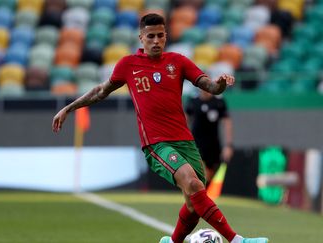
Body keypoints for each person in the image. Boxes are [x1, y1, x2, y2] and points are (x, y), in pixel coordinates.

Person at [52, 13, 268, 243]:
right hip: (156, 144)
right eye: (151, 36)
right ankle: (237, 240)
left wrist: (220, 84)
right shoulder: (128, 65)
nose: (156, 41)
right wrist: (69, 108)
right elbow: (100, 91)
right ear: (141, 38)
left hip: (186, 142)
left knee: (193, 203)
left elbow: (210, 87)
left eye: (160, 36)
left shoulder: (178, 61)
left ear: (166, 36)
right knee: (194, 184)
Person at [185, 89, 234, 185]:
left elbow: (227, 123)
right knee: (198, 173)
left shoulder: (219, 102)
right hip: (196, 145)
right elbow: (185, 121)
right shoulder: (193, 100)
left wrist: (228, 145)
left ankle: (203, 195)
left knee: (209, 175)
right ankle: (198, 196)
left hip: (213, 145)